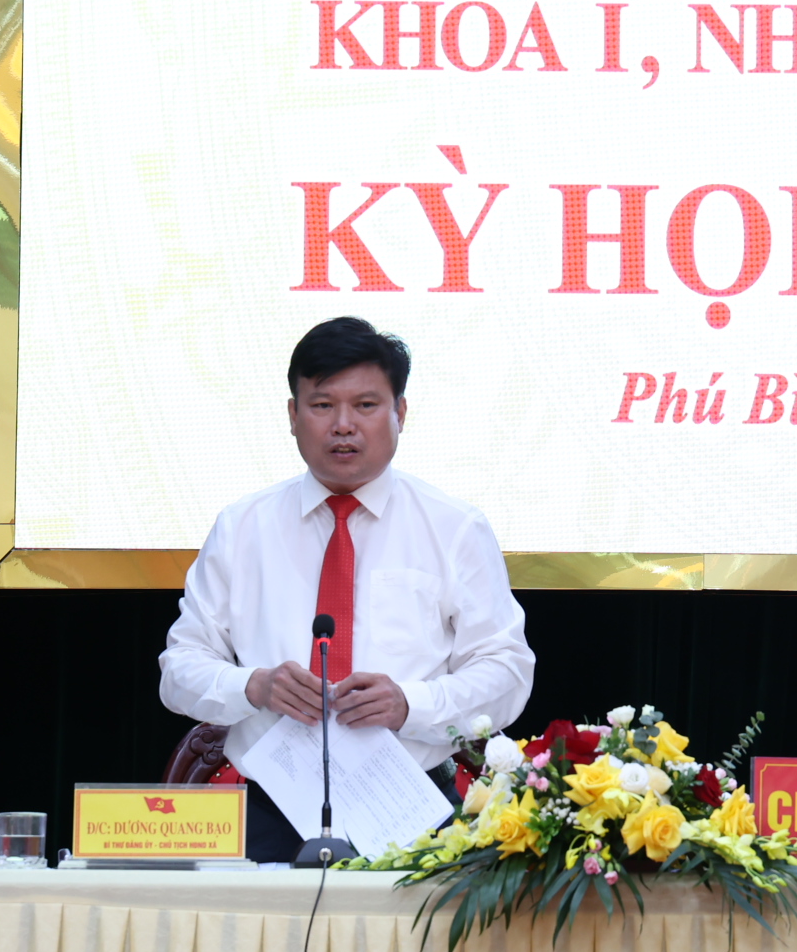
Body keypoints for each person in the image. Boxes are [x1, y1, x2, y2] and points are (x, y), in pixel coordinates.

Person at [158, 317, 534, 860]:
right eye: (322, 405)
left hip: (409, 806)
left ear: (400, 413)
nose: (343, 426)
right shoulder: (243, 527)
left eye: (365, 405)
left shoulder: (454, 527)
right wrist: (254, 686)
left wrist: (410, 703)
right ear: (293, 416)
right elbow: (179, 671)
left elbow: (507, 671)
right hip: (268, 810)